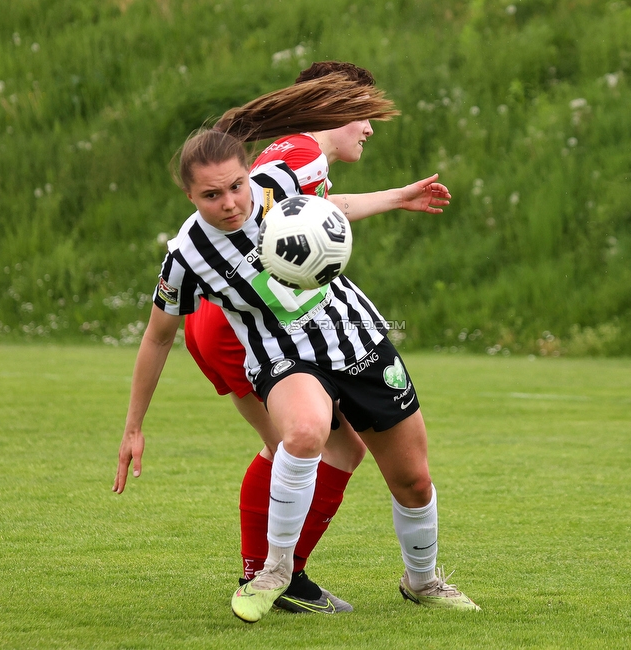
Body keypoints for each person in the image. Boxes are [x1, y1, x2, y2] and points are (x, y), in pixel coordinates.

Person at [113, 74, 480, 623]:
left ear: (249, 172)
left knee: (413, 479)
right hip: (282, 357)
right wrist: (134, 426)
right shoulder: (186, 257)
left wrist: (397, 197)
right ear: (189, 196)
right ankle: (275, 570)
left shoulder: (278, 182)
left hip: (353, 336)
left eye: (236, 186)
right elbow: (157, 337)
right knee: (304, 432)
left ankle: (422, 579)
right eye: (211, 195)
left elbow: (332, 210)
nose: (230, 203)